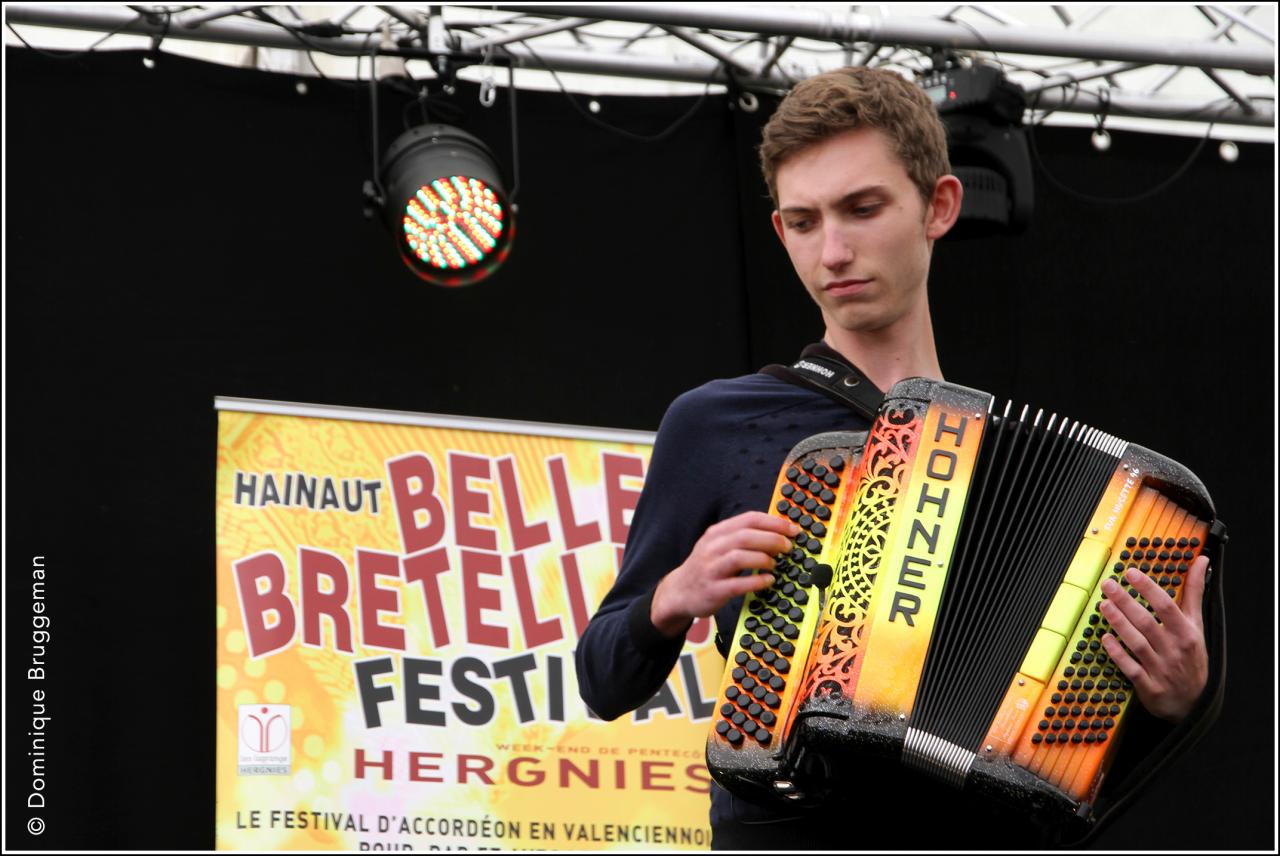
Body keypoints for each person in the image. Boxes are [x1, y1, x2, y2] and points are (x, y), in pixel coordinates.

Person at [574, 66, 1211, 850]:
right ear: (779, 231)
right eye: (803, 222)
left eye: (862, 208)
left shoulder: (1031, 470)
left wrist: (1178, 700)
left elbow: (1079, 765)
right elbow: (603, 680)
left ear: (938, 206)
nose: (833, 251)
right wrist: (672, 596)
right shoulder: (716, 424)